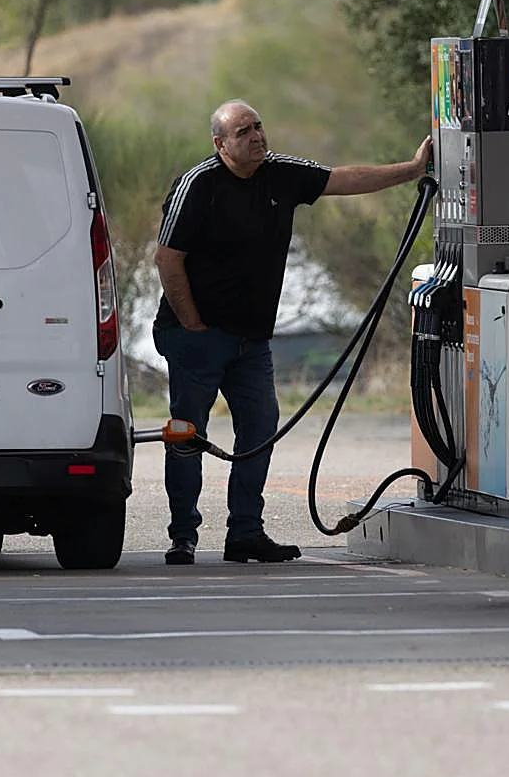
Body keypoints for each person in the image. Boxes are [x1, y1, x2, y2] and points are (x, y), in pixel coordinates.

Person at [153, 99, 432, 566]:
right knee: (187, 435)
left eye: (259, 126)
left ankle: (245, 533)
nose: (257, 136)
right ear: (220, 144)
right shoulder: (199, 185)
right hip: (196, 338)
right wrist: (192, 325)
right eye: (243, 131)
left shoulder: (281, 173)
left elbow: (343, 178)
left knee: (260, 430)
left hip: (252, 340)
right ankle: (183, 535)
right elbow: (167, 258)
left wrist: (411, 170)